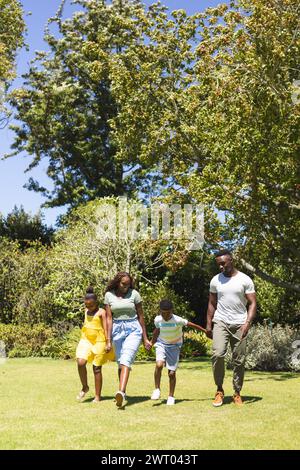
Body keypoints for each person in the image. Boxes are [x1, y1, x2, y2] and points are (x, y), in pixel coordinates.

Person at [206, 250, 257, 406]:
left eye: (223, 263)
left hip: (240, 323)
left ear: (231, 260)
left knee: (239, 360)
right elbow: (212, 303)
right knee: (218, 354)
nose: (221, 266)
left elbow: (253, 303)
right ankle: (219, 390)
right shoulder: (216, 280)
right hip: (221, 321)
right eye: (218, 264)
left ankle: (237, 392)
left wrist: (247, 323)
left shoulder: (245, 280)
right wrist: (209, 324)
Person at [104, 272, 151, 407]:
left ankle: (121, 391)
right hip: (117, 330)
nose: (126, 287)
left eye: (128, 284)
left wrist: (145, 338)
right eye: (123, 284)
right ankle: (122, 392)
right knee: (120, 363)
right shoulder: (109, 295)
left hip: (133, 328)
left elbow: (141, 316)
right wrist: (108, 340)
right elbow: (109, 318)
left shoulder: (134, 294)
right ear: (117, 282)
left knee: (126, 359)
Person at [149, 299, 207, 405]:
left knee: (171, 373)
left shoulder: (177, 320)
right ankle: (157, 389)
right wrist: (151, 342)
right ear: (160, 311)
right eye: (163, 313)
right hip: (161, 344)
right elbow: (157, 331)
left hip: (174, 346)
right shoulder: (158, 320)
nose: (165, 316)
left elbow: (191, 325)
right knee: (159, 365)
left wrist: (204, 331)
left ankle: (171, 396)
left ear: (172, 311)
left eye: (168, 313)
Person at [76, 287, 114, 402]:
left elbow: (106, 328)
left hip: (99, 340)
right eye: (86, 305)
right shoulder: (86, 311)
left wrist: (108, 342)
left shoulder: (102, 312)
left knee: (96, 367)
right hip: (86, 339)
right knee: (80, 362)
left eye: (91, 305)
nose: (89, 307)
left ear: (96, 303)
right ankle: (85, 386)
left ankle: (97, 396)